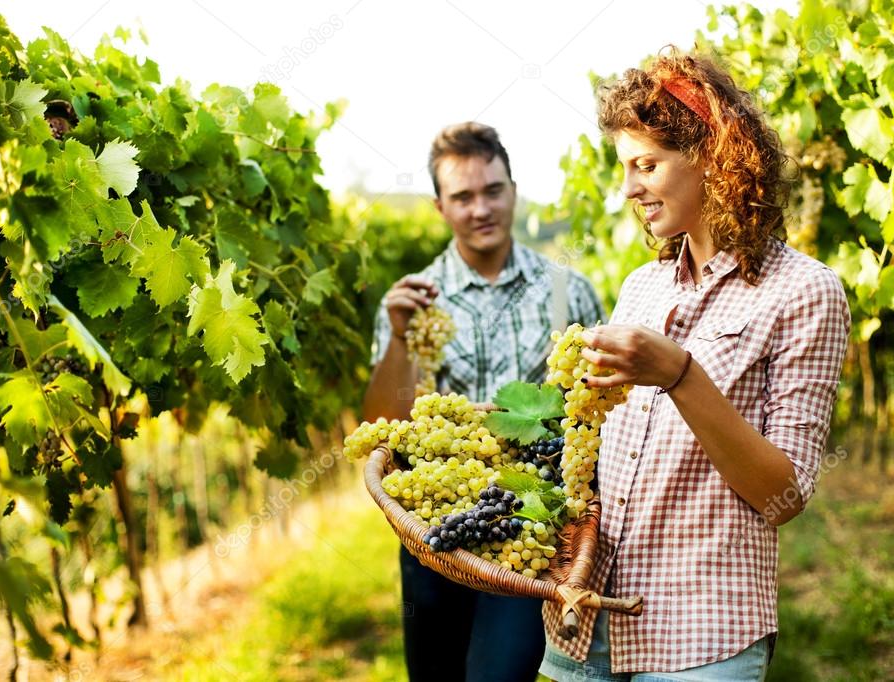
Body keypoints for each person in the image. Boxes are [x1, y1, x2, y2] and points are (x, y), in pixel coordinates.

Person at [538, 52, 851, 681]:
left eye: (646, 165)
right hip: (584, 625)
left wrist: (681, 375)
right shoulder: (640, 289)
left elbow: (783, 495)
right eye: (624, 168)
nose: (629, 189)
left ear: (711, 153)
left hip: (701, 633)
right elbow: (595, 449)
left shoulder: (804, 293)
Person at [363, 122, 605, 682]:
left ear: (514, 190)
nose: (481, 208)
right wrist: (399, 338)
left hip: (525, 528)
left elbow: (598, 416)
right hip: (433, 529)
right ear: (440, 207)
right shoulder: (413, 301)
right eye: (463, 197)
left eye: (492, 190)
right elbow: (382, 426)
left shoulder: (569, 291)